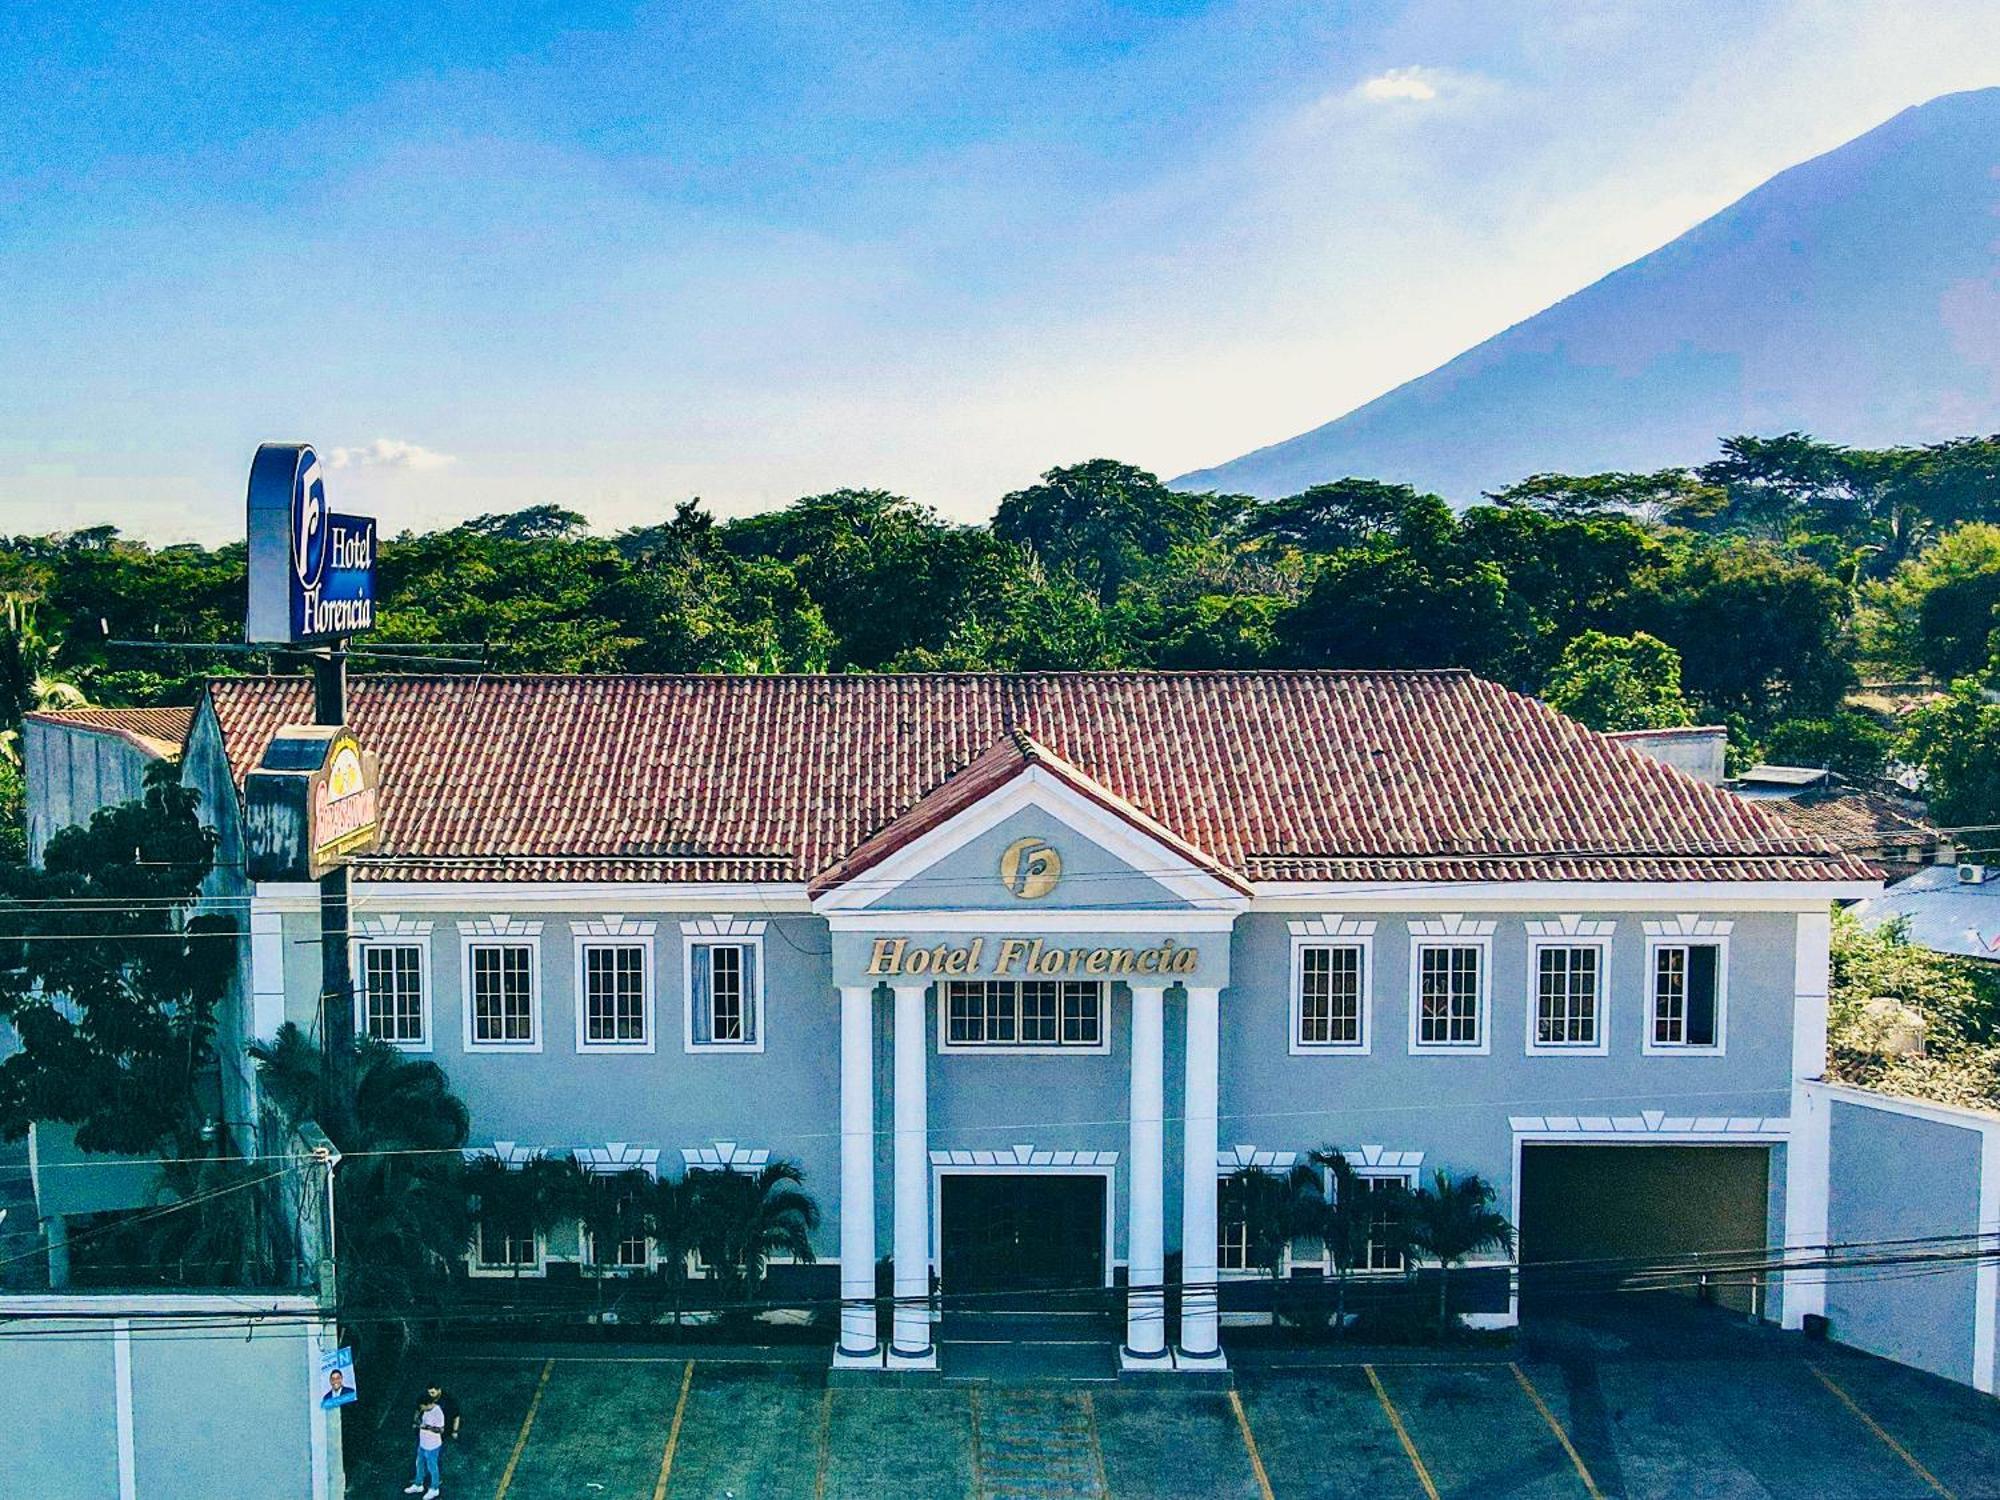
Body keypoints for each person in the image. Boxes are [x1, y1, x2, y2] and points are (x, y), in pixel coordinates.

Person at [404, 1390, 447, 1499]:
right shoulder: (424, 1410)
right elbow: (418, 1419)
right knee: (419, 1464)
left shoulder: (438, 1412)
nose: (421, 1408)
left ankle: (434, 1488)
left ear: (427, 1404)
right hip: (423, 1444)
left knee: (432, 1467)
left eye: (422, 1406)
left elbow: (440, 1430)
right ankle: (418, 1484)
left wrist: (426, 1427)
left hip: (432, 1446)